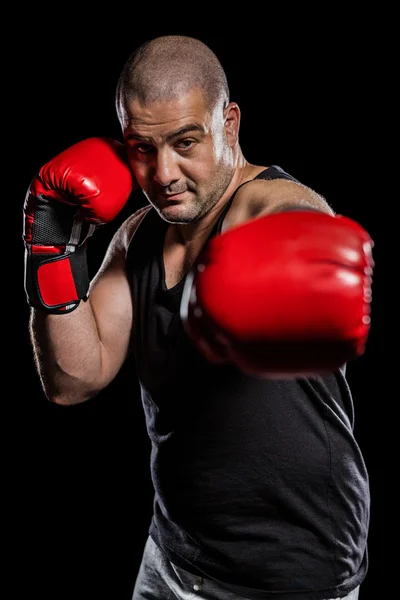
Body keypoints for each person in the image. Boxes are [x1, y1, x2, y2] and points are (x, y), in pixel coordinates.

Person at [23, 35, 374, 600]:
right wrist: (49, 249)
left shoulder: (263, 204)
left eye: (187, 142)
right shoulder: (139, 235)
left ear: (229, 124)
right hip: (173, 557)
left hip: (287, 574)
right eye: (142, 148)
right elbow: (72, 380)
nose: (164, 173)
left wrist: (297, 251)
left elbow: (296, 213)